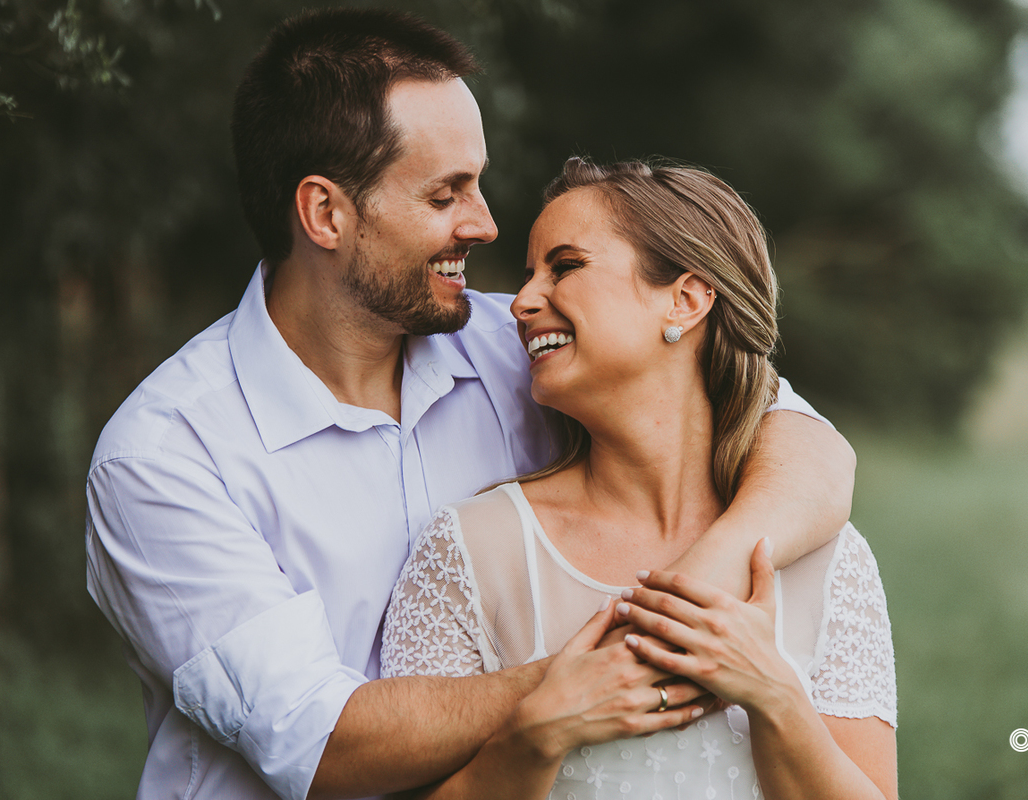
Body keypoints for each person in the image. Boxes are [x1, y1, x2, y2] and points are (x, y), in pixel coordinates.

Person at [84, 9, 856, 800]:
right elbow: (322, 748)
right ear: (325, 214)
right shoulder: (164, 457)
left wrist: (696, 592)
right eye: (446, 193)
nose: (483, 223)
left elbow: (800, 441)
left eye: (478, 184)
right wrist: (591, 677)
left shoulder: (518, 347)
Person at [382, 158, 897, 799]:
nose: (521, 302)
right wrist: (536, 737)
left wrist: (774, 695)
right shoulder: (469, 553)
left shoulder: (828, 559)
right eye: (529, 274)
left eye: (565, 266)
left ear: (685, 299)